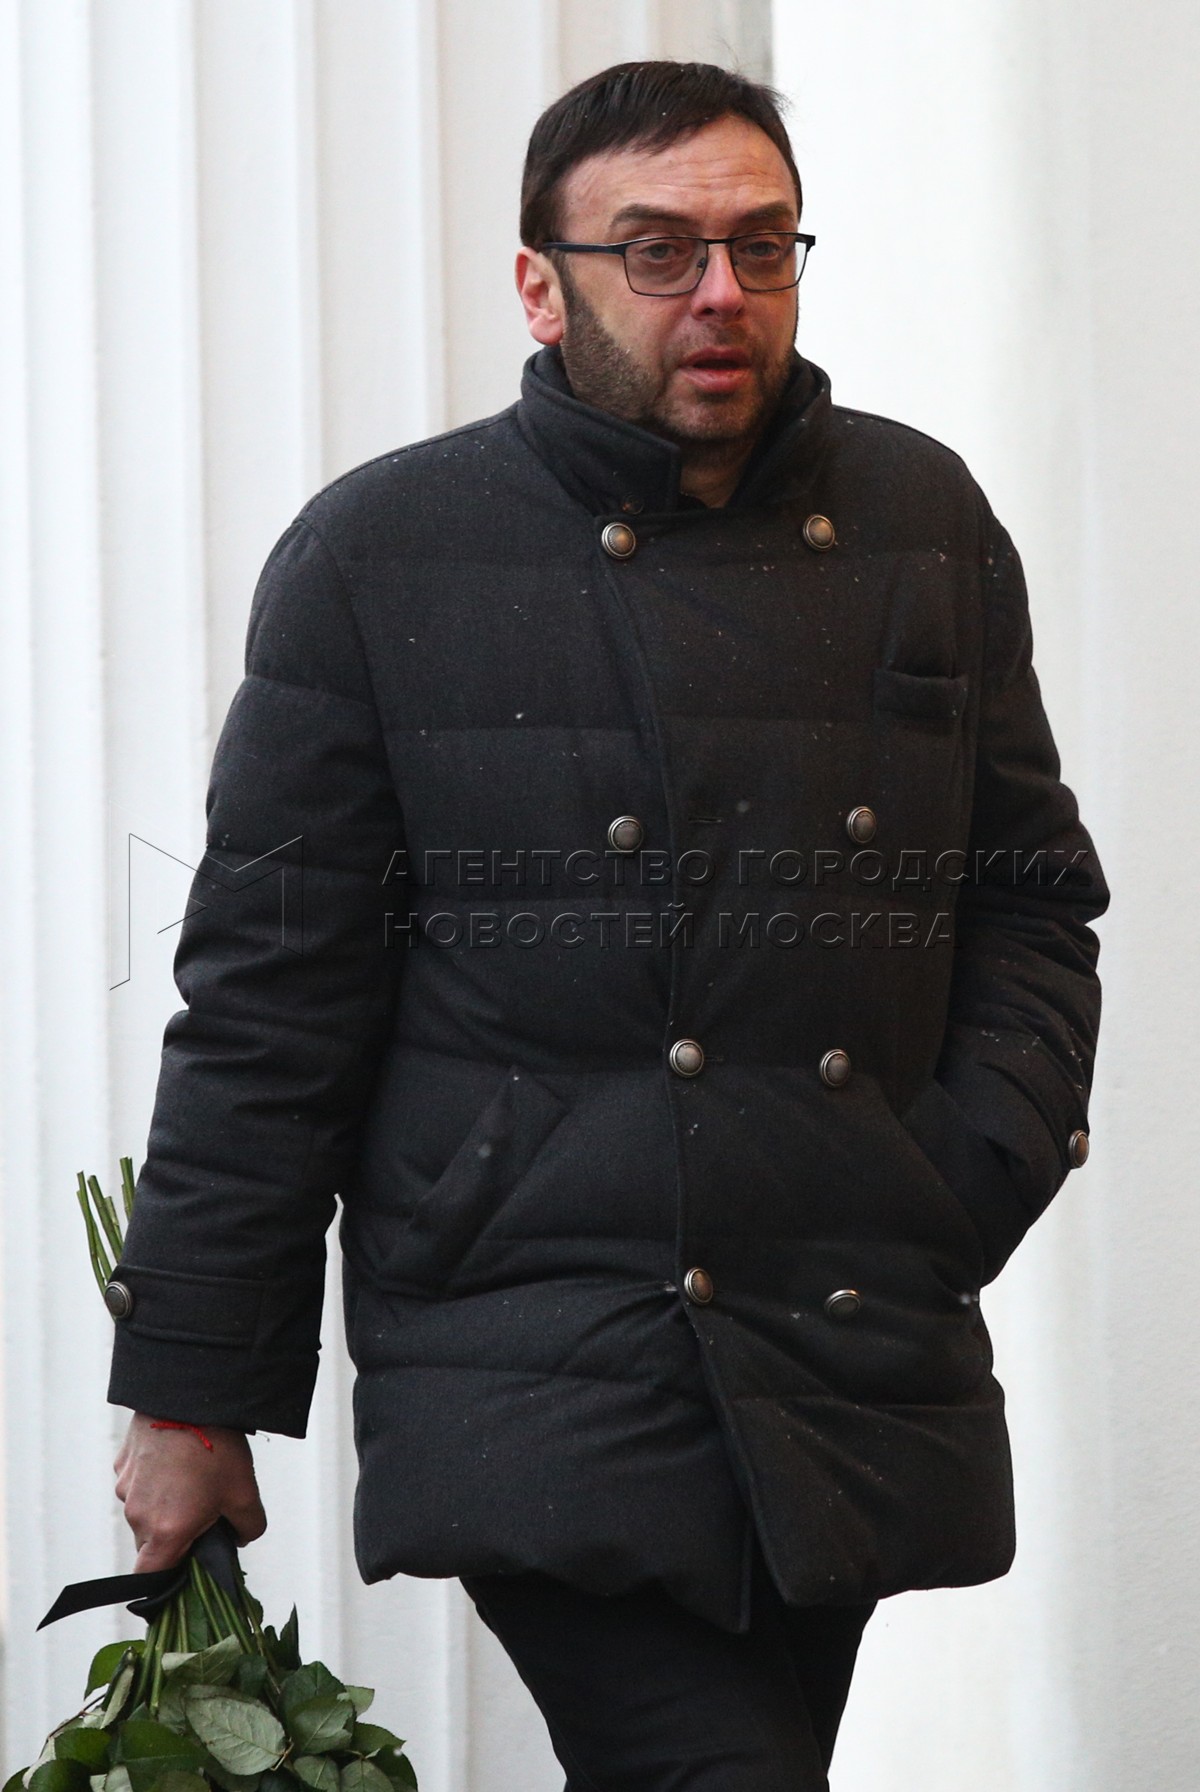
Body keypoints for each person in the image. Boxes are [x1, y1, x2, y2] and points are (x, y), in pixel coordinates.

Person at [107, 60, 1109, 1791]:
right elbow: (269, 1006)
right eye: (657, 251)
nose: (721, 292)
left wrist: (961, 1170)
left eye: (761, 246)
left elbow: (1029, 900)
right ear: (540, 283)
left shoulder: (921, 520)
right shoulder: (377, 557)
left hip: (848, 1333)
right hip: (536, 1351)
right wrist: (193, 1391)